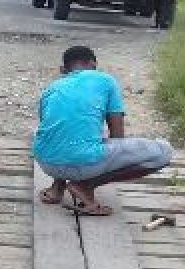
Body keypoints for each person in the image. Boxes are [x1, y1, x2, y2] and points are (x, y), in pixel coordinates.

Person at [34, 46, 174, 216]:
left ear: (63, 70)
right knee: (163, 152)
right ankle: (84, 186)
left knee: (66, 137)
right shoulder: (106, 80)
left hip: (45, 162)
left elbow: (51, 131)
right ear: (93, 64)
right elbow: (117, 137)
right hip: (81, 162)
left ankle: (57, 187)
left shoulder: (51, 88)